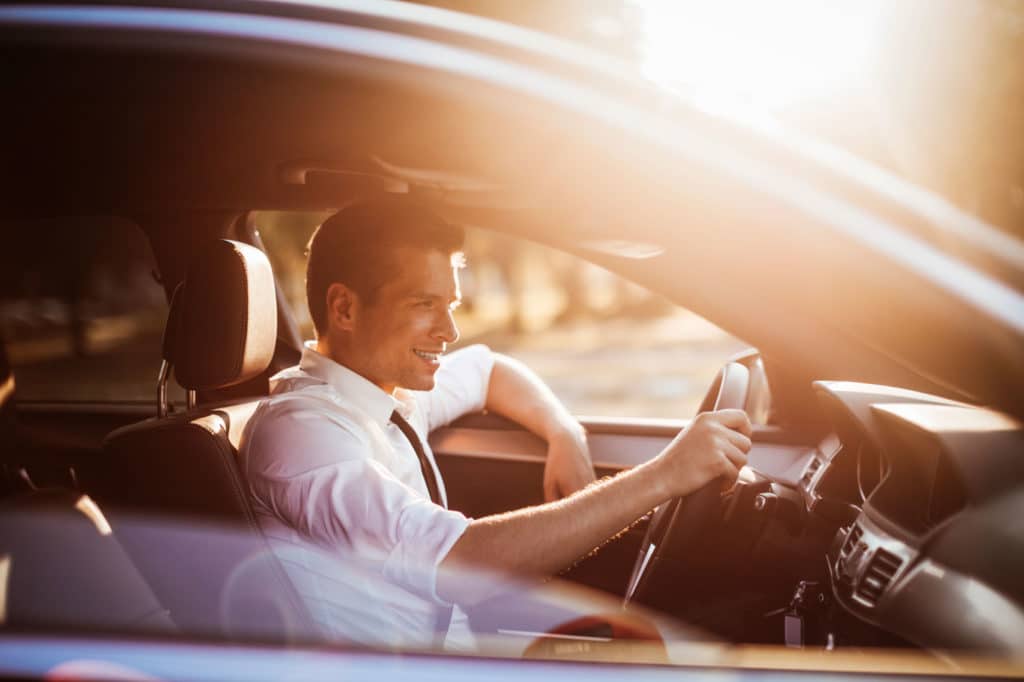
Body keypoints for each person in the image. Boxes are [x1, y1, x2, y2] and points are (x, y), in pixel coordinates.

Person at [239, 196, 751, 649]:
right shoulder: (302, 432)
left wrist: (563, 432)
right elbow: (462, 563)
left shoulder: (383, 389)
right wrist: (664, 476)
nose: (450, 330)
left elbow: (488, 370)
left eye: (451, 304)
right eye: (425, 304)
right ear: (345, 308)